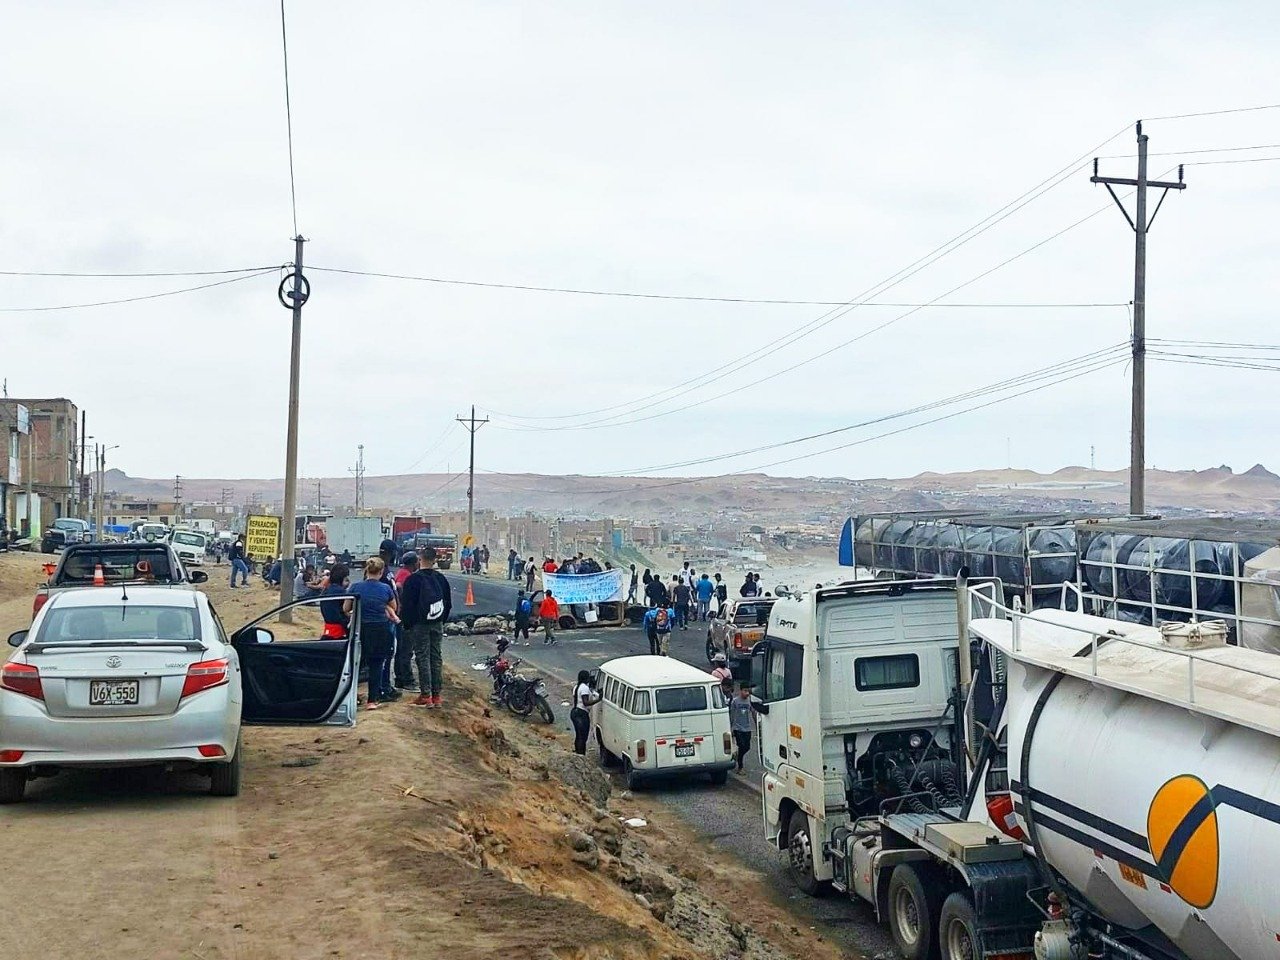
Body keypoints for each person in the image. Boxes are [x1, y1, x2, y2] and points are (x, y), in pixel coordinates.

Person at [343, 558, 398, 710]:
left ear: (366, 571)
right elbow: (394, 607)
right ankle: (372, 700)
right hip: (381, 630)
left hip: (361, 630)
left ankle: (350, 697)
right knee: (377, 665)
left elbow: (346, 609)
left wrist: (355, 614)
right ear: (381, 572)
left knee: (356, 665)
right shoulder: (386, 589)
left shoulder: (356, 587)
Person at [401, 545, 452, 707]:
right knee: (436, 657)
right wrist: (441, 621)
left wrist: (408, 625)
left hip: (419, 625)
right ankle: (437, 696)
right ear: (435, 560)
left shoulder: (413, 580)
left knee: (422, 657)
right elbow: (448, 603)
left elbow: (407, 606)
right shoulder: (441, 579)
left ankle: (426, 695)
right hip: (436, 623)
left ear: (419, 559)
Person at [393, 553, 420, 689]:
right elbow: (398, 586)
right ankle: (406, 680)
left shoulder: (400, 572)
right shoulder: (406, 575)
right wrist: (403, 603)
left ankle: (400, 678)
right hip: (404, 618)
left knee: (402, 649)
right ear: (413, 563)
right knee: (406, 650)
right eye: (417, 562)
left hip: (400, 617)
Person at [728, 683, 765, 772]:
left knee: (747, 747)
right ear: (740, 691)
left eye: (748, 691)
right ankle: (740, 767)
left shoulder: (750, 701)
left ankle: (737, 756)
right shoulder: (735, 701)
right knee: (741, 745)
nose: (747, 693)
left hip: (747, 728)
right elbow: (731, 715)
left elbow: (753, 713)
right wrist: (731, 728)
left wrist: (757, 725)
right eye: (745, 691)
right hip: (738, 727)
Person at [570, 670, 600, 755]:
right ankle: (581, 753)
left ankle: (578, 752)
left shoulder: (577, 687)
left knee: (579, 735)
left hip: (575, 711)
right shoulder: (584, 688)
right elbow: (585, 702)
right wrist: (598, 699)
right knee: (583, 736)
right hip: (581, 714)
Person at [320, 563, 350, 638]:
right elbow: (346, 610)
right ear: (342, 578)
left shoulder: (325, 591)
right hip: (340, 631)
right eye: (346, 578)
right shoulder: (342, 592)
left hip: (328, 629)